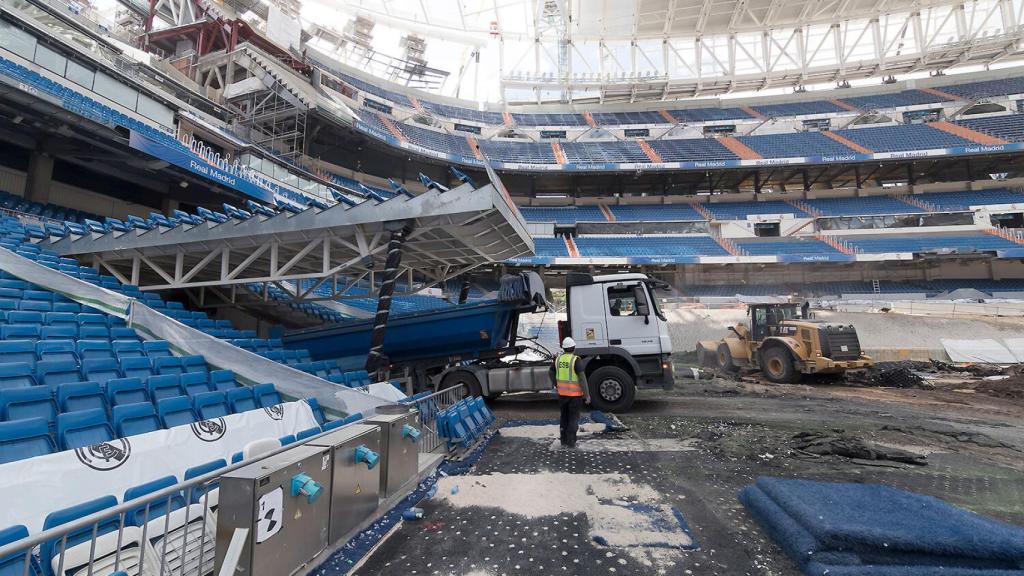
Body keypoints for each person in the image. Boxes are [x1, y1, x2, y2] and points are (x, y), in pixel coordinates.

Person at [551, 337, 590, 448]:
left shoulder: (558, 359)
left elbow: (550, 372)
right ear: (573, 348)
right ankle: (571, 441)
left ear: (563, 348)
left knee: (564, 417)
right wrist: (587, 395)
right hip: (575, 396)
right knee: (573, 418)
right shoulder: (575, 360)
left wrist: (556, 384)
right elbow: (582, 379)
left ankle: (563, 441)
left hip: (562, 395)